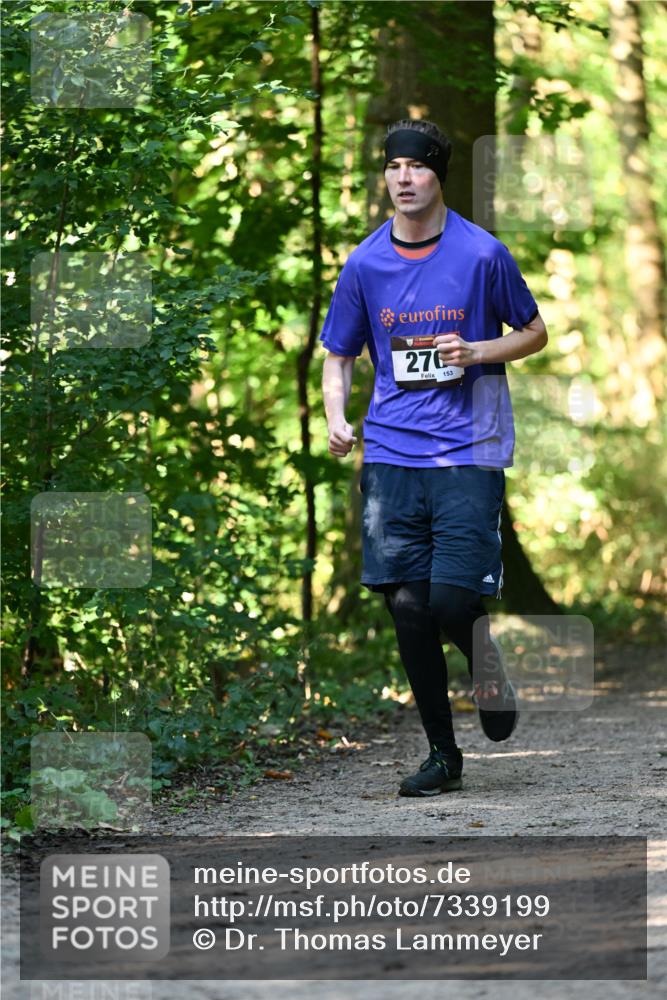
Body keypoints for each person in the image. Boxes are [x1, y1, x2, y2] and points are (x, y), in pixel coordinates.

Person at [320, 118, 548, 798]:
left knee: (451, 599)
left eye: (415, 166)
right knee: (407, 608)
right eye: (392, 167)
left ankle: (487, 669)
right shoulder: (364, 264)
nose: (402, 177)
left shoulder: (481, 256)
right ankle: (443, 757)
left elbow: (533, 332)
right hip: (390, 452)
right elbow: (338, 354)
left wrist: (477, 352)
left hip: (467, 451)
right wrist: (336, 418)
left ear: (436, 175)